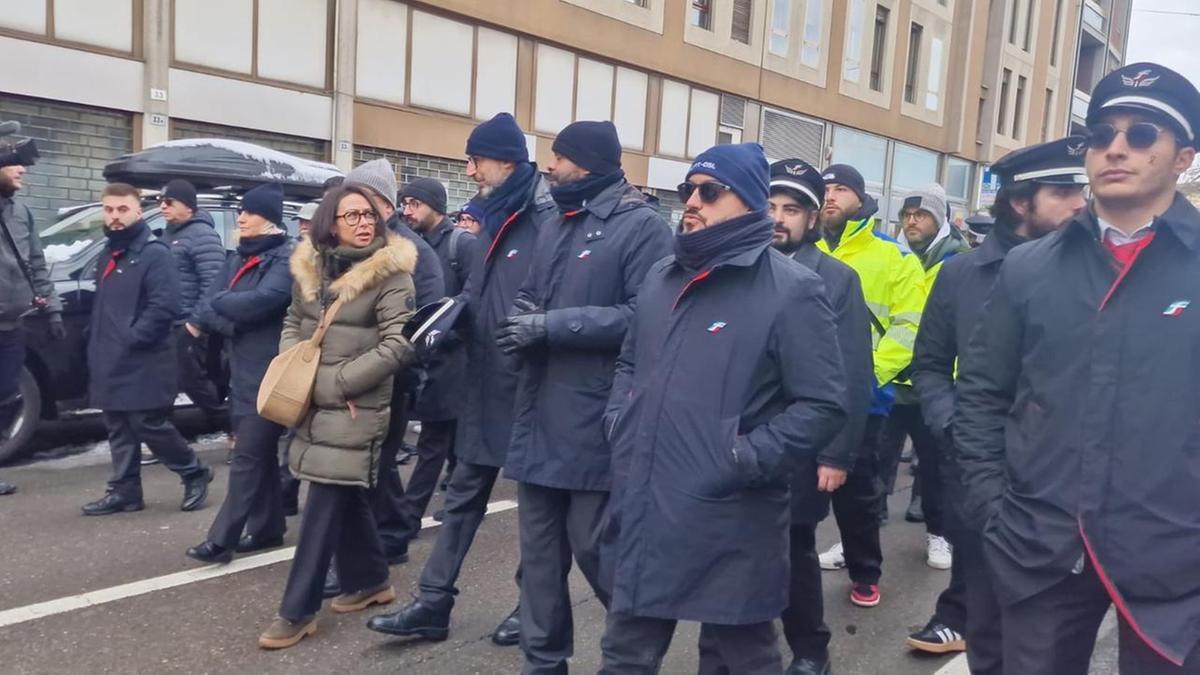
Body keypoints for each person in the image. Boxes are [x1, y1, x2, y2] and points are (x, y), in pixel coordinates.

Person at [956, 62, 1200, 674]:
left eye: (1142, 134)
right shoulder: (1029, 269)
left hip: (1173, 554)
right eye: (1101, 134)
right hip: (1042, 547)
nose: (1116, 148)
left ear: (1183, 158)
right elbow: (983, 396)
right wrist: (994, 510)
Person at [598, 143, 846, 673]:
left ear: (750, 202)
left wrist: (740, 458)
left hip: (732, 512)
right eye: (690, 189)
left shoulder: (793, 290)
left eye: (710, 192)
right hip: (647, 501)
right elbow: (628, 362)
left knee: (744, 657)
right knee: (623, 656)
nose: (692, 201)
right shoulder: (662, 277)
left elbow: (823, 403)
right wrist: (621, 421)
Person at [367, 112, 555, 646]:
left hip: (531, 386)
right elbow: (478, 292)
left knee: (539, 509)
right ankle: (432, 602)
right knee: (464, 495)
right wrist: (442, 325)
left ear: (506, 160)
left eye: (476, 160)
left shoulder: (546, 218)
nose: (469, 171)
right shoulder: (495, 217)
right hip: (483, 381)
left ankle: (534, 606)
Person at [496, 120, 672, 673]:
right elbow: (531, 294)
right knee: (540, 561)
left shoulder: (642, 227)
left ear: (588, 163)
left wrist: (554, 326)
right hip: (538, 413)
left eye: (560, 157)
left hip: (594, 420)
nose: (550, 166)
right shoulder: (556, 219)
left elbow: (647, 317)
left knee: (600, 554)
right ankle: (543, 661)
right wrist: (522, 320)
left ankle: (635, 652)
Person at [905, 137, 1087, 668]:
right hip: (979, 466)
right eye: (1063, 191)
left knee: (1050, 639)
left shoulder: (1091, 270)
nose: (1080, 202)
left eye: (1082, 189)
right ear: (1020, 201)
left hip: (1059, 478)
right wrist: (952, 424)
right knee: (987, 629)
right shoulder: (962, 274)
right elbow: (930, 363)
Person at [257, 183, 417, 649]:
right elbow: (292, 321)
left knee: (323, 500)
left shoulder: (393, 276)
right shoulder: (310, 269)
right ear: (331, 223)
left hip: (354, 406)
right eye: (352, 216)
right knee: (344, 495)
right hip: (312, 402)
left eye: (369, 214)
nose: (365, 222)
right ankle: (371, 580)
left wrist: (336, 382)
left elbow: (400, 344)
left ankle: (296, 610)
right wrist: (296, 365)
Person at [768, 159, 873, 675]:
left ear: (812, 219)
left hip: (804, 445)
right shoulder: (742, 266)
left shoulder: (836, 279)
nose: (777, 218)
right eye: (768, 206)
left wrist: (837, 453)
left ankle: (810, 650)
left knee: (793, 552)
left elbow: (854, 372)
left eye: (791, 209)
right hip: (743, 441)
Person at [814, 165, 925, 608]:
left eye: (841, 189)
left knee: (858, 495)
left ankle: (865, 571)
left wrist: (868, 377)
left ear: (862, 199)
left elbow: (910, 326)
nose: (831, 196)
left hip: (864, 399)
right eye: (824, 189)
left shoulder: (893, 257)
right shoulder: (804, 248)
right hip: (805, 395)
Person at [334, 159, 445, 575]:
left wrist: (400, 368)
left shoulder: (413, 253)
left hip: (390, 377)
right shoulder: (355, 245)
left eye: (359, 201)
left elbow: (426, 322)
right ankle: (392, 535)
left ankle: (366, 556)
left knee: (366, 465)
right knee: (372, 465)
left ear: (382, 204)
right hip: (354, 372)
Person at [80, 183, 212, 516]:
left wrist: (131, 338)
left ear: (138, 211)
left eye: (122, 209)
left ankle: (193, 471)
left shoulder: (155, 253)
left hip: (143, 356)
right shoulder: (110, 252)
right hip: (110, 355)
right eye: (109, 209)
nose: (114, 216)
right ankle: (125, 491)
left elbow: (163, 306)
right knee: (118, 425)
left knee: (147, 423)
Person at [184, 182, 295, 563]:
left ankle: (222, 539)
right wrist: (231, 314)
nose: (242, 218)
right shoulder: (236, 258)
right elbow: (213, 304)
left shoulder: (286, 258)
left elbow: (265, 302)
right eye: (243, 211)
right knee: (259, 456)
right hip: (240, 370)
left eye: (251, 211)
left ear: (270, 219)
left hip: (272, 374)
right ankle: (267, 529)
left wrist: (228, 310)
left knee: (248, 454)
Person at [877, 183, 970, 569]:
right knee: (874, 465)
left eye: (922, 215)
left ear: (940, 219)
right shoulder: (894, 256)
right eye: (907, 215)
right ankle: (858, 540)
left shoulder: (960, 262)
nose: (912, 222)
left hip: (938, 385)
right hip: (892, 381)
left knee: (936, 469)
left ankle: (938, 536)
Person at [390, 176, 477, 557]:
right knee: (449, 443)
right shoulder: (408, 245)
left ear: (435, 206)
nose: (407, 211)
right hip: (419, 358)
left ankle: (406, 520)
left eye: (414, 204)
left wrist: (446, 331)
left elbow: (476, 301)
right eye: (403, 204)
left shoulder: (463, 245)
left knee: (433, 442)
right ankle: (460, 499)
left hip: (452, 360)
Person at [0, 129, 63, 496]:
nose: (23, 170)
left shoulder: (21, 213)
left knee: (6, 398)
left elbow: (36, 265)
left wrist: (51, 308)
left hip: (12, 325)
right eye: (16, 163)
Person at [162, 179, 227, 413]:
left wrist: (195, 325)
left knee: (193, 382)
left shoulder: (202, 235)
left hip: (190, 325)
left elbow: (214, 284)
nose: (163, 206)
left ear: (188, 207)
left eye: (169, 202)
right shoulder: (169, 235)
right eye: (161, 201)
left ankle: (228, 424)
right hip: (170, 323)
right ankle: (165, 438)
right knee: (167, 383)